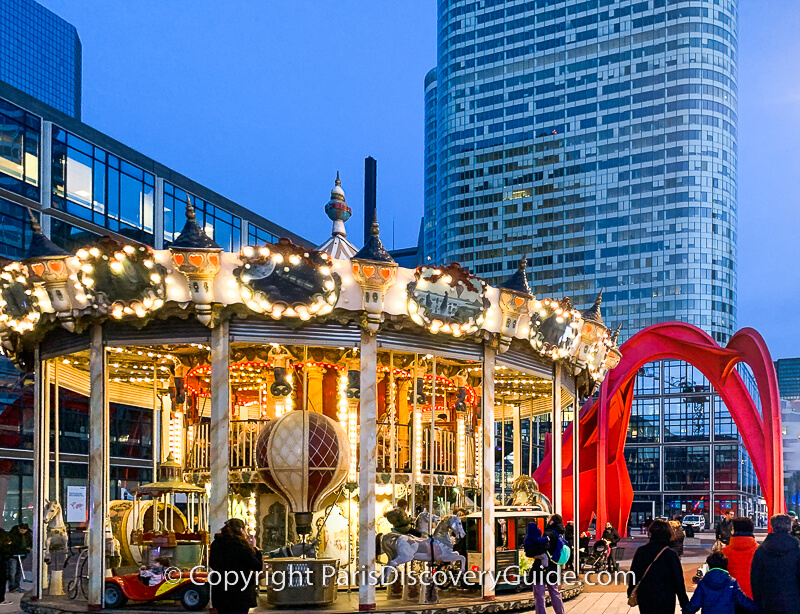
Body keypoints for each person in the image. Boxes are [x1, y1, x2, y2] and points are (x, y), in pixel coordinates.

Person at [627, 519, 688, 614]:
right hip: (665, 596)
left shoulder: (641, 551)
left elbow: (634, 573)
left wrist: (631, 589)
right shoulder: (670, 554)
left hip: (645, 594)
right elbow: (678, 580)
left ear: (651, 533)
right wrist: (684, 602)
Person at [209, 518, 263, 614]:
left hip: (221, 591)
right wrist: (255, 549)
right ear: (241, 530)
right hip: (240, 593)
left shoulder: (216, 544)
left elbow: (213, 564)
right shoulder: (242, 546)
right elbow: (257, 566)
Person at [750, 513, 800, 614]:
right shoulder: (796, 549)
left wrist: (758, 601)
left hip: (769, 600)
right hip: (793, 600)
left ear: (772, 527)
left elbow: (755, 578)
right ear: (789, 527)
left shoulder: (762, 550)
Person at [683, 552, 757, 614]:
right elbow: (744, 602)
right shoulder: (731, 582)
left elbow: (694, 604)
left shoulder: (703, 583)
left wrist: (685, 610)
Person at [529, 514, 566, 614]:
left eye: (549, 519)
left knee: (539, 593)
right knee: (554, 592)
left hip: (541, 567)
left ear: (551, 522)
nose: (547, 521)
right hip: (554, 566)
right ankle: (560, 612)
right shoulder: (560, 534)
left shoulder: (548, 534)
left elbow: (541, 549)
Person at [720, 516, 757, 599]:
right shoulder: (759, 551)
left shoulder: (724, 552)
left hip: (731, 597)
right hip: (753, 597)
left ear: (734, 530)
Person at [7, 523, 30, 594]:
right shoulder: (12, 534)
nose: (23, 532)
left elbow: (29, 543)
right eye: (22, 530)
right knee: (12, 571)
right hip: (12, 555)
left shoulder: (27, 535)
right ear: (19, 528)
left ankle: (17, 586)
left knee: (19, 571)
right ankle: (12, 586)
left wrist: (28, 549)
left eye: (25, 531)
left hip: (22, 554)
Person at [0, 528, 14, 605]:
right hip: (1, 562)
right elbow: (7, 552)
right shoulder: (4, 544)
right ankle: (1, 599)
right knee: (1, 581)